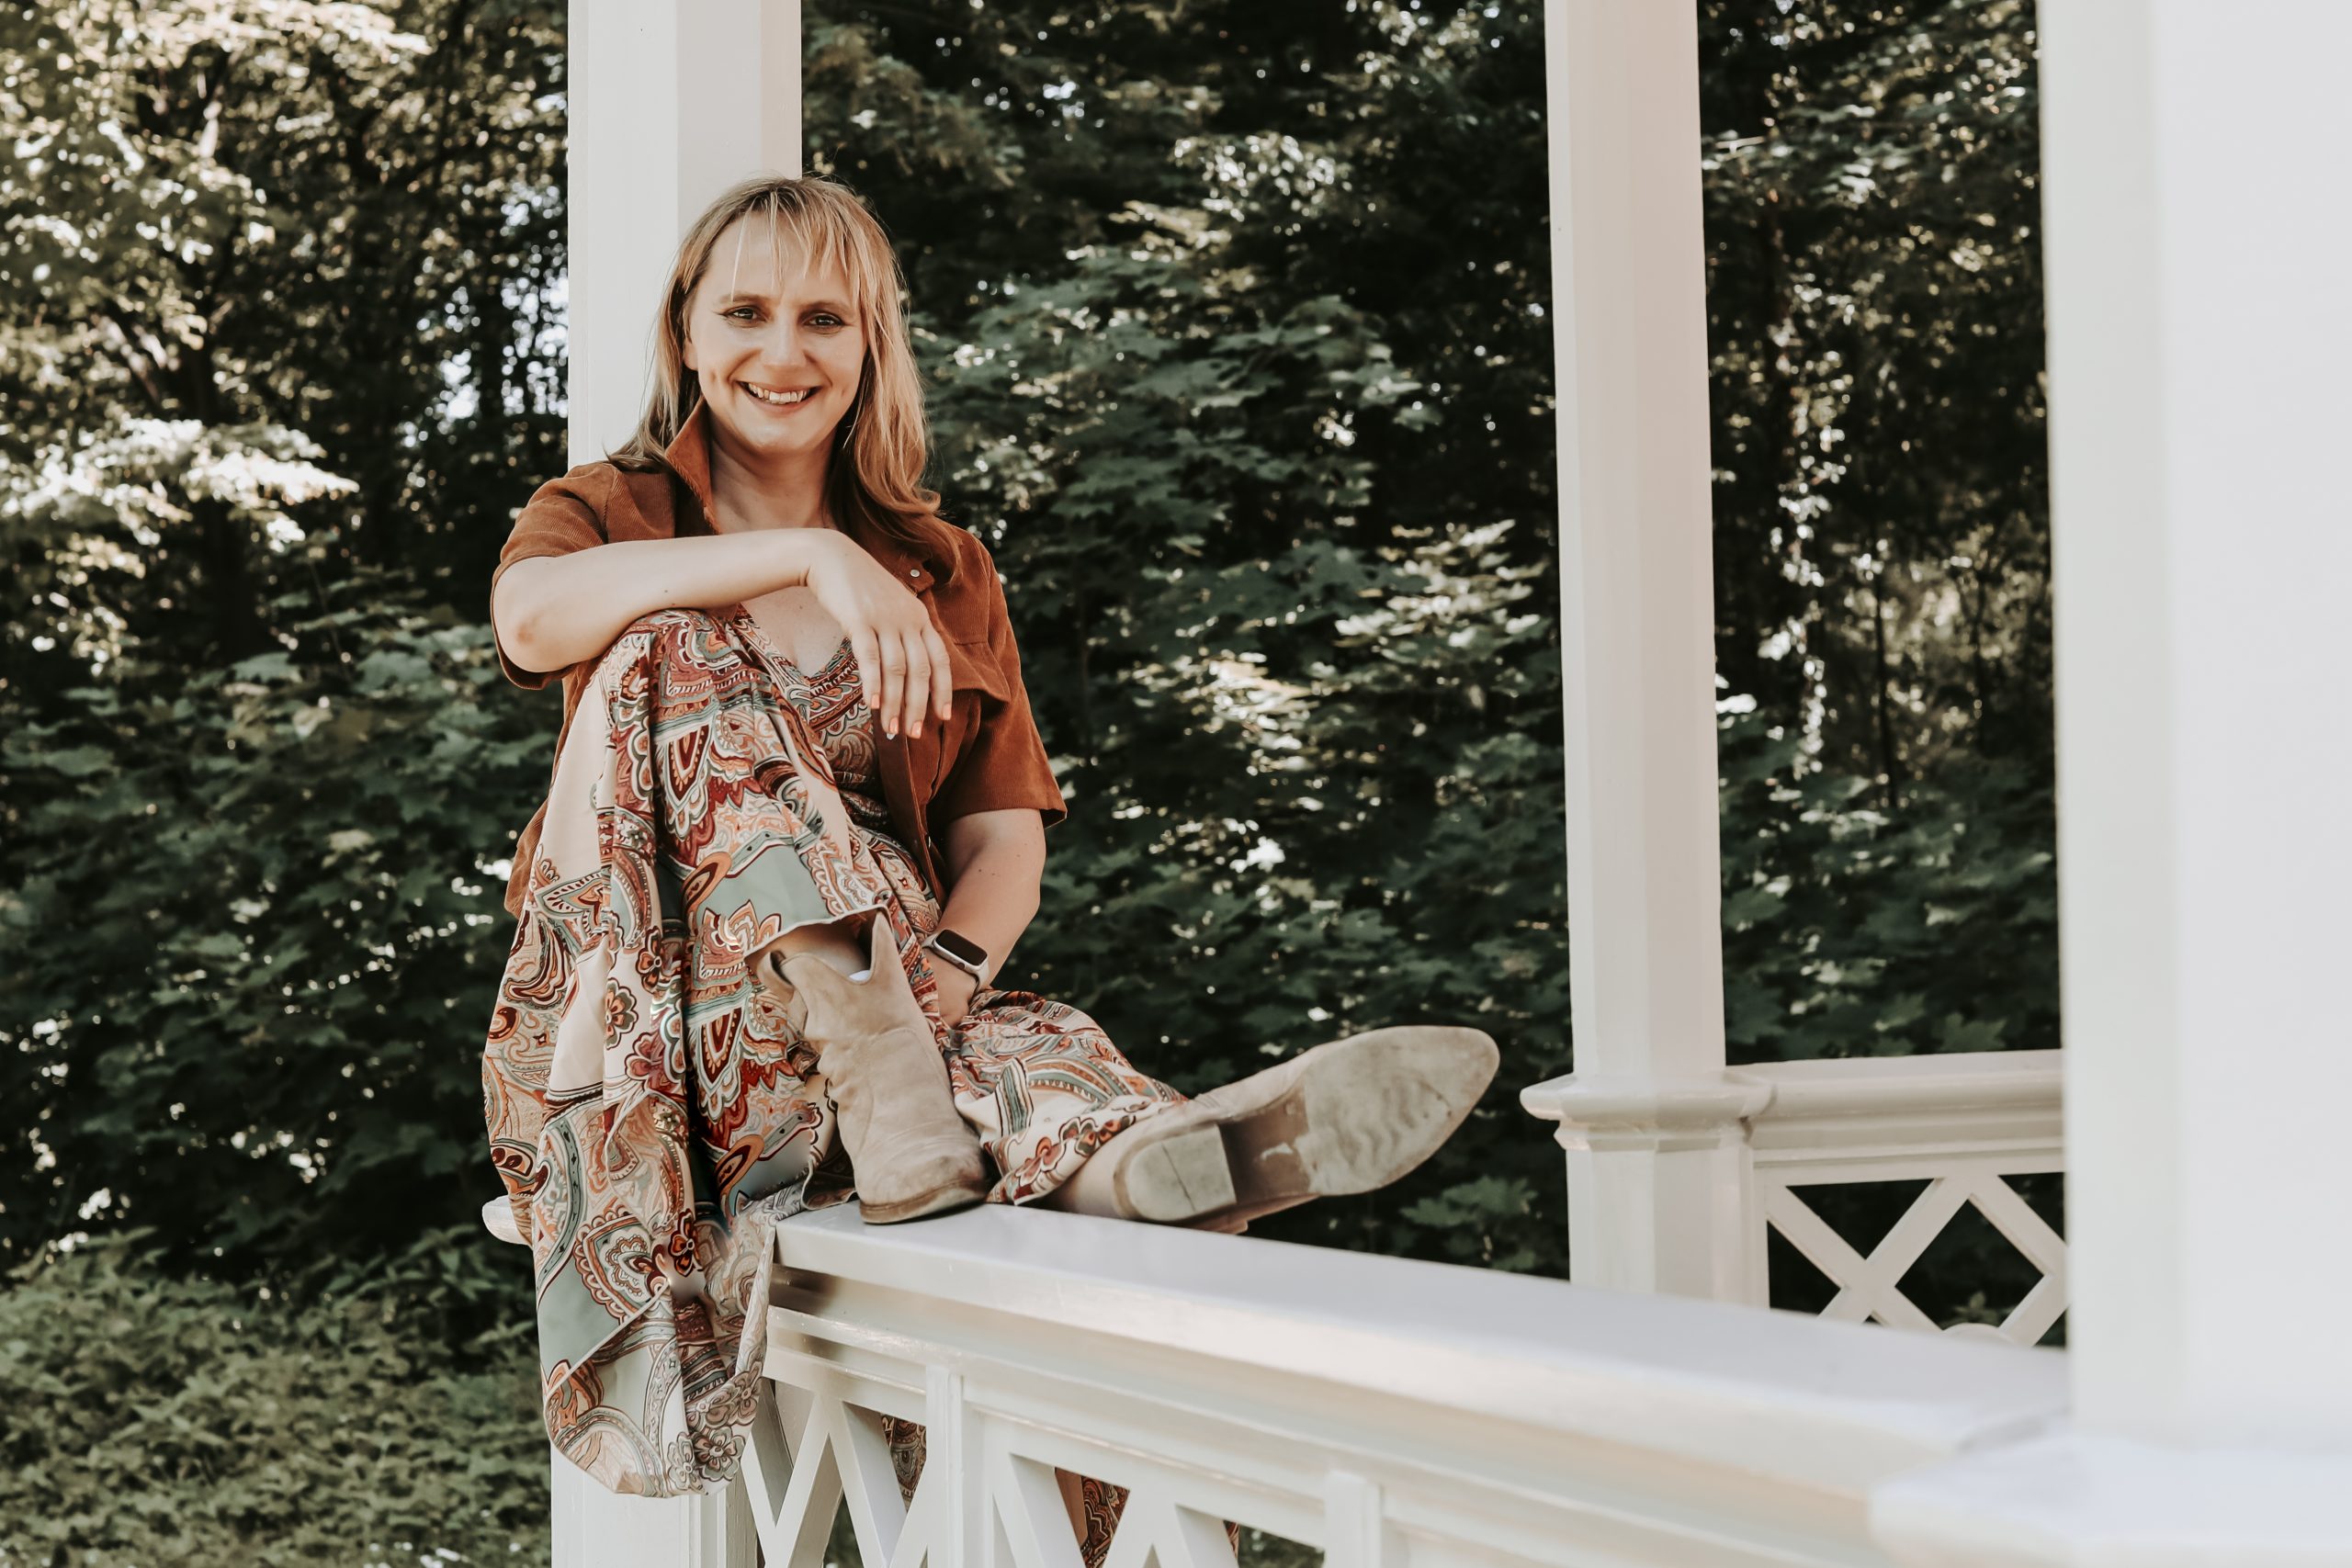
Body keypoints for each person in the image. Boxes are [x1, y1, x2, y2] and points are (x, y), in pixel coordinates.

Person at [479, 175, 1495, 1535]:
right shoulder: (611, 508)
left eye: (824, 319)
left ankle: (1150, 1166)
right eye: (746, 313)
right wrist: (809, 558)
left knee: (1042, 1060)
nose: (784, 351)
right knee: (667, 648)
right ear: (687, 333)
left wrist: (952, 967)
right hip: (678, 1011)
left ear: (872, 344)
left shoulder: (943, 566)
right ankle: (920, 1089)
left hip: (908, 1013)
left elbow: (1001, 837)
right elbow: (534, 619)